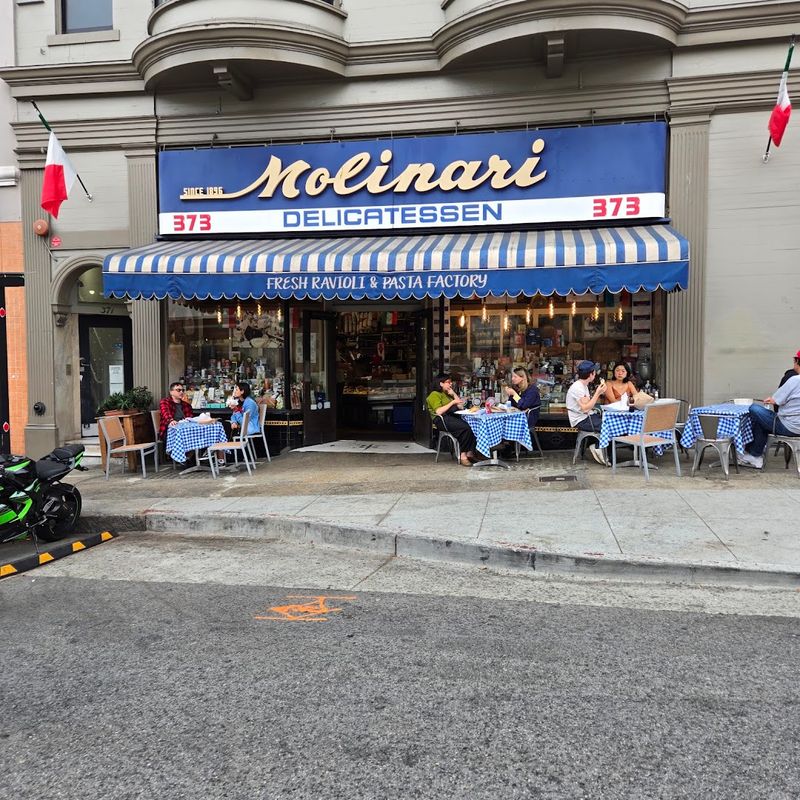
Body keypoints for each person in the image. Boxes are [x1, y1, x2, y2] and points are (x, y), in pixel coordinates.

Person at [738, 355, 800, 468]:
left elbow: (775, 400)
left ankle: (754, 455)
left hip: (789, 426)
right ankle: (754, 455)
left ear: (796, 361)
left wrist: (770, 400)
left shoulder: (794, 380)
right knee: (762, 420)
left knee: (754, 409)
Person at [426, 372, 477, 467]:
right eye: (448, 382)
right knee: (465, 428)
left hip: (452, 417)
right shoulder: (434, 395)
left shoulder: (447, 394)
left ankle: (470, 453)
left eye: (450, 382)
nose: (450, 384)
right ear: (441, 383)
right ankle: (463, 456)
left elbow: (460, 406)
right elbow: (439, 411)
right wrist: (452, 402)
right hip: (441, 420)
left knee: (473, 426)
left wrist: (453, 394)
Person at [566, 360, 608, 465]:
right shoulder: (577, 387)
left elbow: (588, 405)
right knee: (608, 426)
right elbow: (585, 408)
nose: (595, 374)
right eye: (594, 372)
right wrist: (597, 393)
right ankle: (598, 447)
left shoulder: (583, 385)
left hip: (587, 416)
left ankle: (602, 449)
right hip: (581, 419)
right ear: (591, 374)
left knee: (610, 421)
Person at [504, 366, 541, 435]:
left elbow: (524, 405)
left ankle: (509, 440)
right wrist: (510, 395)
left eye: (515, 377)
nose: (512, 379)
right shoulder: (517, 388)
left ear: (523, 378)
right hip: (517, 415)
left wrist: (514, 394)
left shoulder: (532, 390)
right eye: (512, 376)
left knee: (504, 424)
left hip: (528, 419)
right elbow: (511, 404)